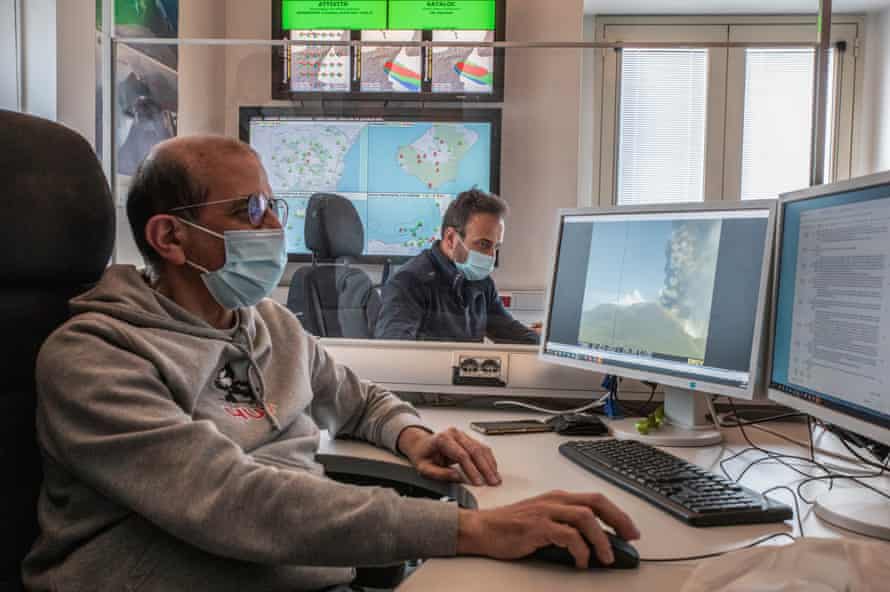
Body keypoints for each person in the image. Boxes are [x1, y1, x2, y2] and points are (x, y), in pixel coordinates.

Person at [24, 136, 638, 591]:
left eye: (273, 206)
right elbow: (230, 501)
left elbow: (357, 397)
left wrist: (413, 435)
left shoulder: (270, 322)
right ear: (170, 238)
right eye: (249, 210)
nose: (274, 228)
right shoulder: (93, 356)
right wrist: (470, 530)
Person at [375, 188, 541, 343]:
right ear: (451, 238)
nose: (491, 256)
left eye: (495, 247)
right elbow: (394, 355)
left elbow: (509, 331)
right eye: (483, 244)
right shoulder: (408, 283)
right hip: (427, 375)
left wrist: (547, 340)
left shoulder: (481, 283)